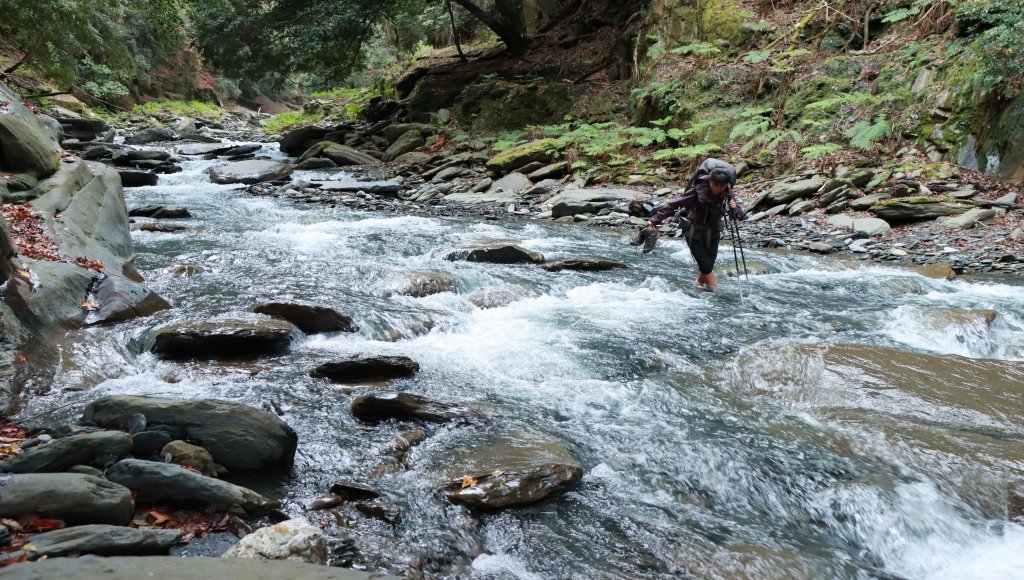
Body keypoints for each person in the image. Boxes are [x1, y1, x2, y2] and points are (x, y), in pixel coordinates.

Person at [644, 158, 745, 292]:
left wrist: (735, 207)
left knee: (707, 266)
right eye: (716, 185)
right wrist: (655, 220)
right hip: (694, 232)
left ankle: (697, 287)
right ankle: (717, 294)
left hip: (714, 232)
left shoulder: (727, 192)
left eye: (722, 186)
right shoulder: (697, 191)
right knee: (707, 267)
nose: (718, 189)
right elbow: (672, 204)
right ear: (710, 181)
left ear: (726, 184)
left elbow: (739, 216)